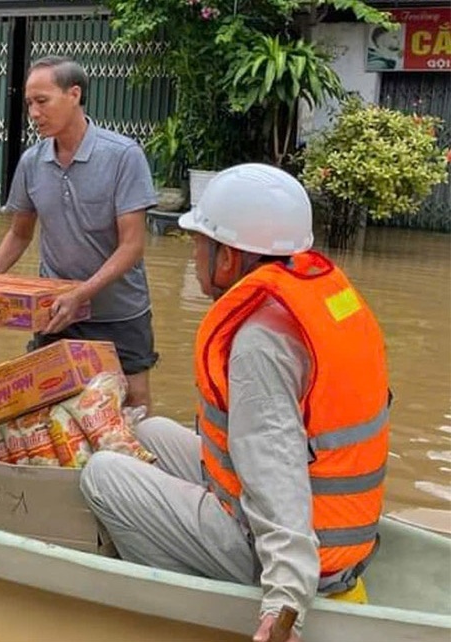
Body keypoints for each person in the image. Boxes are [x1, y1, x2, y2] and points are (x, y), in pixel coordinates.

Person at [79, 164, 391, 641]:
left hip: (292, 551)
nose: (195, 254)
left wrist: (286, 599)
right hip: (334, 525)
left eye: (201, 243)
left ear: (228, 259)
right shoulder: (318, 299)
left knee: (103, 473)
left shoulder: (259, 341)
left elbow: (275, 468)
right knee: (147, 431)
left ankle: (185, 594)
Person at [0, 55, 158, 410]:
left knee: (133, 401)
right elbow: (20, 234)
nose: (33, 113)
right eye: (29, 103)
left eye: (42, 101)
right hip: (55, 310)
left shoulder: (123, 156)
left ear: (74, 94)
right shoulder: (32, 161)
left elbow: (132, 246)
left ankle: (130, 466)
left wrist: (81, 294)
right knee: (48, 403)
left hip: (118, 312)